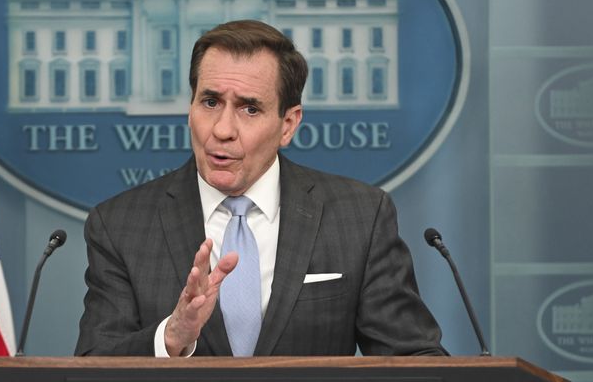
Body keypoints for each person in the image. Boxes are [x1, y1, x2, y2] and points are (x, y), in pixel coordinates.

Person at [75, 20, 445, 357]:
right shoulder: (120, 225)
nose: (222, 129)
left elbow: (415, 360)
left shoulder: (360, 217)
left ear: (288, 124)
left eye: (249, 109)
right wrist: (170, 338)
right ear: (190, 108)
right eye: (210, 102)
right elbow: (91, 366)